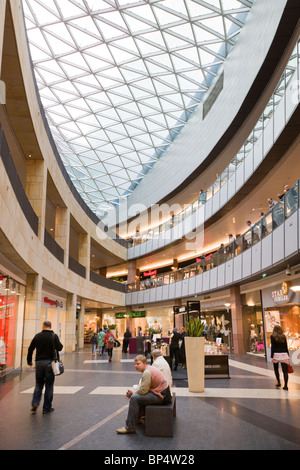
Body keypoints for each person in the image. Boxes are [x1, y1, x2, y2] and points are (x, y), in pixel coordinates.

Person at [116, 355, 172, 434]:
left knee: (134, 398)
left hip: (161, 396)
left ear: (145, 363)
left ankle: (130, 427)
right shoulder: (149, 369)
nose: (136, 366)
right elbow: (144, 389)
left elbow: (143, 390)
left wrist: (132, 394)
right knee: (138, 397)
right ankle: (137, 418)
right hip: (163, 394)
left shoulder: (147, 372)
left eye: (138, 364)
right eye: (135, 364)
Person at [27, 321, 63, 414]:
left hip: (38, 363)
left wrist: (29, 360)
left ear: (43, 326)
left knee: (39, 384)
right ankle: (46, 408)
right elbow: (60, 347)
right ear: (50, 327)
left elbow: (30, 348)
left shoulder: (37, 336)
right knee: (49, 385)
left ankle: (35, 403)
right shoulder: (53, 336)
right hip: (49, 363)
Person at [271, 325, 289, 391]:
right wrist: (288, 355)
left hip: (276, 354)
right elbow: (286, 346)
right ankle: (286, 386)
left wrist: (272, 356)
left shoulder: (272, 336)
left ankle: (278, 382)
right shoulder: (283, 336)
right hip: (284, 354)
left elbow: (273, 347)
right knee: (285, 371)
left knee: (276, 369)